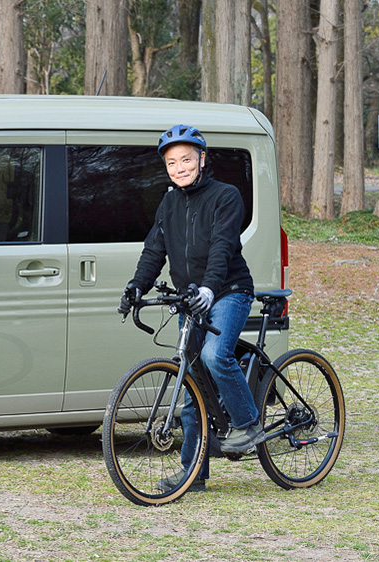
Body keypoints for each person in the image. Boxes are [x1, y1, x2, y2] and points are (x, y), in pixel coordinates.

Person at [117, 124, 263, 492]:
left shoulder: (225, 196)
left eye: (185, 159)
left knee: (215, 356)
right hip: (189, 297)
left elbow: (222, 247)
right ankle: (192, 474)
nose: (179, 167)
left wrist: (212, 289)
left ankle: (249, 424)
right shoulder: (168, 203)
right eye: (171, 162)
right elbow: (154, 251)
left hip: (229, 290)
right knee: (191, 388)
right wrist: (136, 286)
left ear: (202, 158)